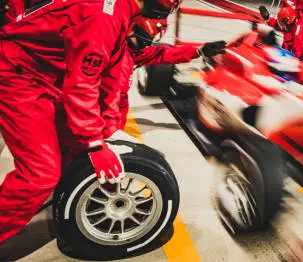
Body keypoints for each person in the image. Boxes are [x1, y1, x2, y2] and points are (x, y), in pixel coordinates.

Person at [0, 0, 179, 244]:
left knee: (73, 146)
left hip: (45, 73)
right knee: (40, 174)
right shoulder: (104, 18)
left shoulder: (120, 12)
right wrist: (94, 143)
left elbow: (107, 77)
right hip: (19, 75)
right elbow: (82, 85)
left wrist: (107, 130)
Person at [101, 16, 227, 139]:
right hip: (102, 130)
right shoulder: (115, 60)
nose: (145, 45)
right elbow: (108, 101)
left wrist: (199, 51)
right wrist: (112, 135)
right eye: (142, 39)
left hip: (111, 124)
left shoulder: (130, 51)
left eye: (148, 40)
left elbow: (161, 54)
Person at [260, 5, 303, 71]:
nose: (281, 26)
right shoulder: (292, 24)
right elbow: (280, 25)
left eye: (282, 24)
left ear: (288, 21)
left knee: (296, 72)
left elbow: (293, 56)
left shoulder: (298, 34)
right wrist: (268, 19)